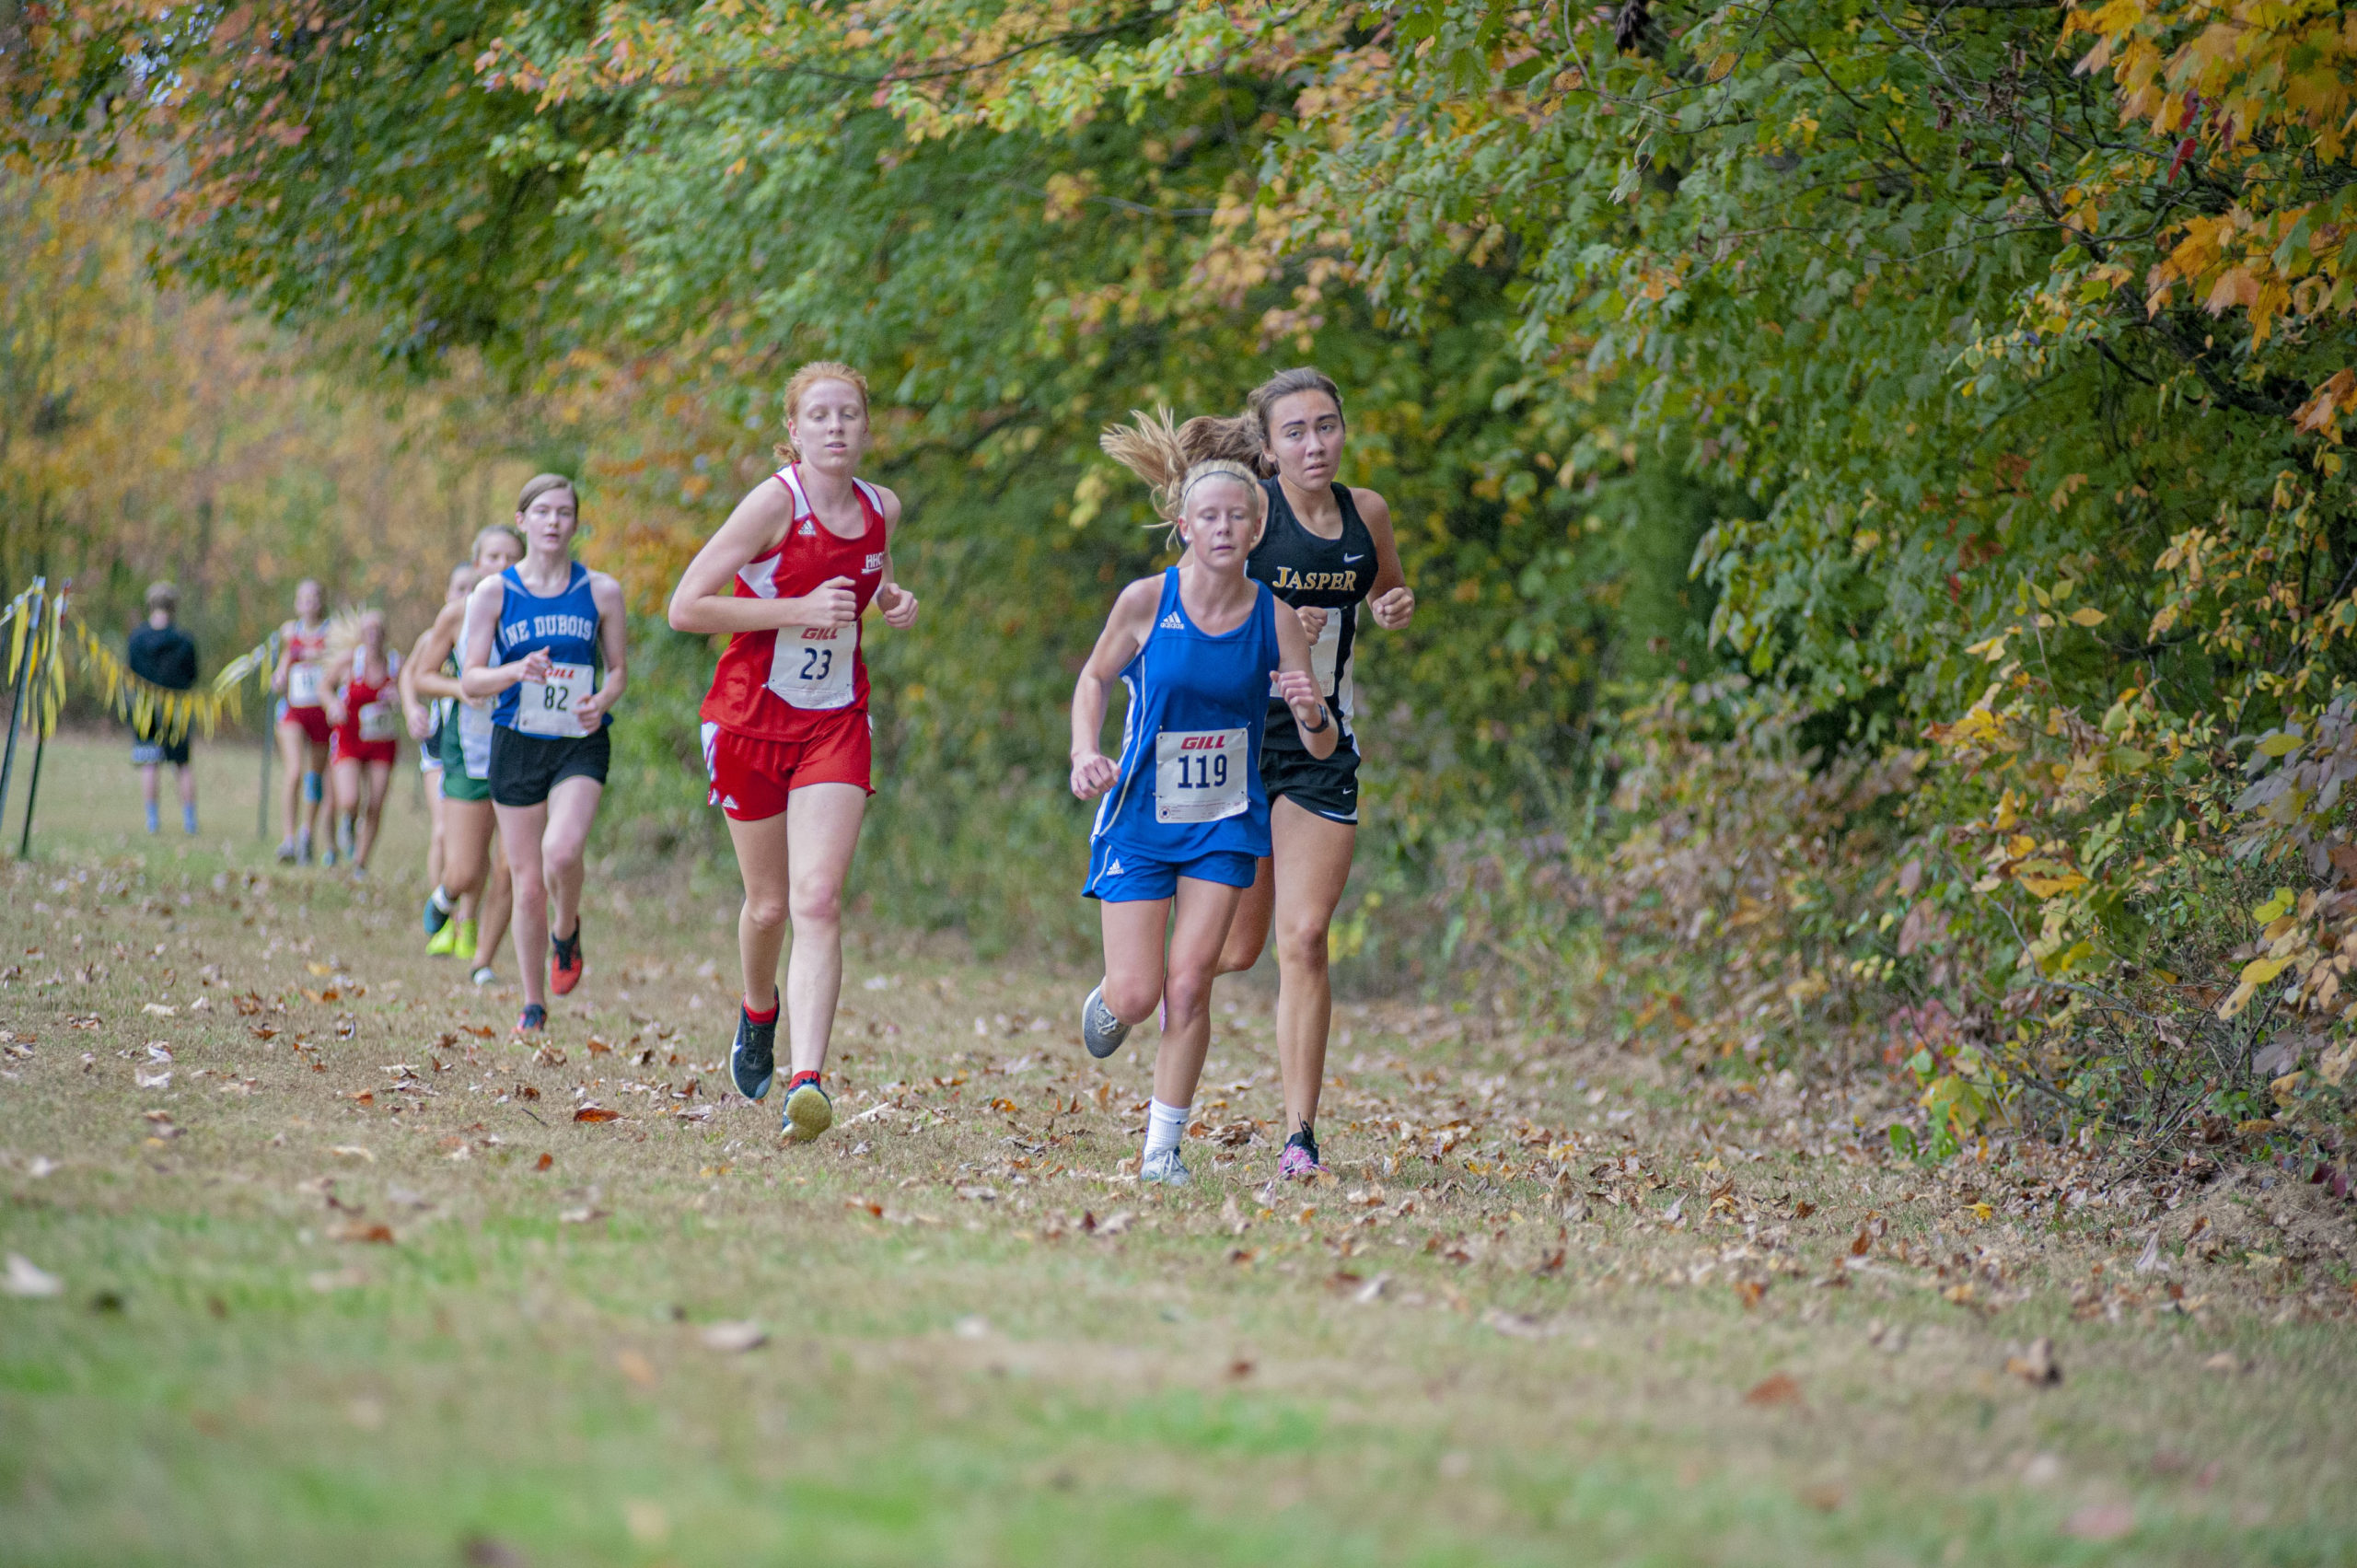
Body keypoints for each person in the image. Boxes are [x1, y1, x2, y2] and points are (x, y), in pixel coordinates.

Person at [1071, 410, 1335, 1186]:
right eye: (1209, 518)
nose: (1223, 530)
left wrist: (1310, 706)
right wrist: (1088, 751)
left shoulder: (1276, 616)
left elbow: (1317, 741)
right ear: (1183, 525)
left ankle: (1161, 1152)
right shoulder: (1146, 601)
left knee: (1190, 983)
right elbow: (1092, 679)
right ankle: (1115, 1000)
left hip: (1223, 822)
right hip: (1139, 819)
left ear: (1257, 531)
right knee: (1140, 989)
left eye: (1238, 519)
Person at [668, 361, 919, 1144]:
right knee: (770, 905)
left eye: (850, 414)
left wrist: (889, 598)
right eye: (820, 416)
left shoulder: (884, 508)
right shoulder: (773, 503)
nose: (837, 427)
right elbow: (686, 607)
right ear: (794, 434)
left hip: (835, 723)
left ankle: (806, 1082)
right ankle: (757, 1011)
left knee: (818, 899)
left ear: (868, 430)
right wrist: (795, 610)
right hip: (749, 719)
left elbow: (862, 576)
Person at [1202, 368, 1416, 1179]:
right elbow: (1202, 608)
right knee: (1234, 951)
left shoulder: (1369, 514)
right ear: (1267, 447)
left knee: (1305, 937)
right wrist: (1279, 624)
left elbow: (1389, 594)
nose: (1314, 443)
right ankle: (1136, 980)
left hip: (1322, 743)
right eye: (1295, 432)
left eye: (1326, 426)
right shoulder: (1250, 517)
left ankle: (1299, 1136)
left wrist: (1394, 607)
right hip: (1236, 739)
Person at [460, 476, 628, 1035]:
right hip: (517, 741)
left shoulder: (601, 591)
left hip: (579, 739)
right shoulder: (494, 593)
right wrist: (516, 671)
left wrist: (603, 697)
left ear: (576, 523)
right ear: (523, 520)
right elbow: (470, 681)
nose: (554, 522)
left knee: (562, 852)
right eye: (543, 512)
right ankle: (533, 1002)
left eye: (564, 513)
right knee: (526, 882)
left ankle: (567, 928)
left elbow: (619, 670)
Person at [402, 530, 524, 985]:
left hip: (521, 747)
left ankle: (483, 962)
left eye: (512, 557)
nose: (501, 563)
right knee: (467, 868)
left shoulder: (537, 612)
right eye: (493, 555)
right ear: (476, 563)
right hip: (468, 747)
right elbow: (421, 677)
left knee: (510, 866)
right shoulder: (458, 614)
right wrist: (463, 688)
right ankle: (445, 895)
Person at [410, 562, 474, 900]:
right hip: (438, 746)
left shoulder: (488, 633)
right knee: (442, 831)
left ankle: (468, 918)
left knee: (474, 845)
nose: (465, 596)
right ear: (447, 594)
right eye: (459, 588)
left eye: (472, 589)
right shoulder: (433, 637)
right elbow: (410, 675)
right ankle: (442, 911)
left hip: (475, 747)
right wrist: (411, 709)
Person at [322, 609, 401, 876]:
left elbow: (412, 693)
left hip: (381, 741)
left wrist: (399, 696)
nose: (373, 635)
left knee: (376, 802)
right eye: (368, 630)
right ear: (360, 635)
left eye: (378, 630)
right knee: (349, 799)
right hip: (349, 737)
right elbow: (324, 686)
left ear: (385, 634)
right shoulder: (349, 662)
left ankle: (360, 862)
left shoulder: (395, 664)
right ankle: (348, 822)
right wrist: (332, 703)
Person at [126, 581, 199, 837]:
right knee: (182, 763)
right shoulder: (184, 641)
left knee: (149, 763)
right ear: (174, 607)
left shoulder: (137, 639)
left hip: (145, 709)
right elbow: (192, 675)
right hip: (176, 708)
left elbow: (131, 673)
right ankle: (190, 821)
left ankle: (152, 821)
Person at [270, 578, 334, 864]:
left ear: (321, 601)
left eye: (314, 598)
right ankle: (288, 839)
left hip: (320, 713)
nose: (309, 603)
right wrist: (279, 676)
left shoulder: (332, 632)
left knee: (314, 777)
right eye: (303, 598)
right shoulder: (289, 632)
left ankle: (308, 831)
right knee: (294, 771)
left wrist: (317, 655)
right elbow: (284, 662)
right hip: (293, 711)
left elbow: (338, 663)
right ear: (296, 603)